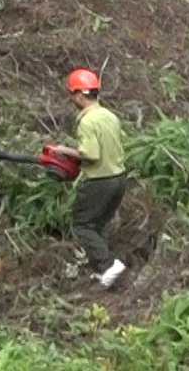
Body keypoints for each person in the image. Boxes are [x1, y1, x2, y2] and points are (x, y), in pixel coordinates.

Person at [51, 68, 128, 288]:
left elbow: (91, 155)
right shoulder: (109, 116)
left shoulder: (87, 121)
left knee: (83, 225)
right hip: (119, 178)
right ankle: (104, 272)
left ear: (78, 95)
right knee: (100, 223)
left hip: (100, 180)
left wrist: (64, 151)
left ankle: (108, 265)